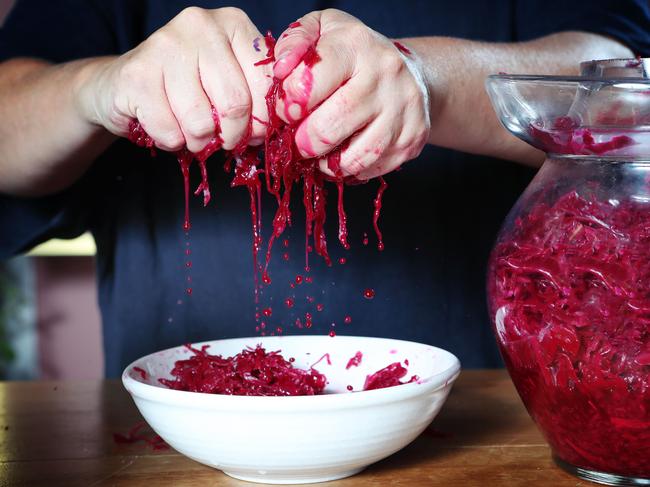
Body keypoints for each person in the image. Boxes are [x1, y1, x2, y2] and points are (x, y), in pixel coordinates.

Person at [1, 1, 649, 377]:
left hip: (489, 419)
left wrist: (429, 80)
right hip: (168, 434)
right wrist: (100, 88)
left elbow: (623, 84)